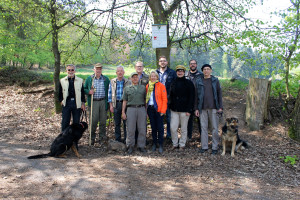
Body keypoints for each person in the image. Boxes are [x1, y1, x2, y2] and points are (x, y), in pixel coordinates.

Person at [195, 64, 223, 155]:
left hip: (214, 107)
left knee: (214, 128)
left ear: (211, 70)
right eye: (204, 69)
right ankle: (204, 146)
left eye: (208, 69)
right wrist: (196, 108)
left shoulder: (215, 80)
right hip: (202, 108)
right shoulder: (199, 81)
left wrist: (220, 107)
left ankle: (215, 147)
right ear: (202, 71)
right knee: (203, 128)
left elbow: (219, 94)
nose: (206, 71)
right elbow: (196, 96)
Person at [169, 65, 195, 150]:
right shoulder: (173, 82)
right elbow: (170, 95)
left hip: (185, 110)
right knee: (173, 128)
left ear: (184, 72)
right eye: (178, 71)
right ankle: (175, 143)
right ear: (176, 72)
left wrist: (189, 110)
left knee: (184, 128)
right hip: (174, 109)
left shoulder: (189, 83)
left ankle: (182, 144)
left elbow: (192, 97)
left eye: (181, 71)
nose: (180, 72)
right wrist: (170, 105)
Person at [84, 63, 110, 145]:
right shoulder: (90, 79)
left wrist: (109, 104)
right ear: (94, 69)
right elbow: (84, 89)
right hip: (93, 102)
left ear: (101, 70)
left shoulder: (106, 79)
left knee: (103, 121)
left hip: (103, 101)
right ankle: (91, 138)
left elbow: (109, 91)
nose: (98, 70)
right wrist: (88, 91)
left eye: (100, 69)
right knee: (93, 121)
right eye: (97, 69)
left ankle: (102, 138)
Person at [122, 72, 147, 154]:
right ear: (131, 79)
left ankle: (141, 146)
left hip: (141, 108)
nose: (135, 78)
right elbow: (124, 101)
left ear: (139, 78)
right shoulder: (127, 88)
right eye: (133, 77)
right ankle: (130, 146)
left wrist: (146, 111)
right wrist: (123, 112)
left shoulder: (143, 88)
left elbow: (145, 100)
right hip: (131, 109)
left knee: (142, 128)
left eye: (136, 77)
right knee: (130, 129)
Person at [146, 71, 168, 154]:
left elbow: (164, 99)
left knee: (160, 128)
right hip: (150, 109)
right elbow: (146, 99)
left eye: (154, 76)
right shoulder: (148, 86)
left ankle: (161, 144)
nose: (153, 77)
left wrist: (163, 111)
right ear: (150, 77)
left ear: (157, 77)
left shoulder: (161, 86)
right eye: (151, 76)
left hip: (159, 110)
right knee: (153, 127)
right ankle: (154, 143)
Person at [59, 64, 86, 131]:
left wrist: (83, 103)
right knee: (65, 121)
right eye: (69, 70)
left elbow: (82, 93)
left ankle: (74, 139)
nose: (70, 71)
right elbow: (59, 92)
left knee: (76, 122)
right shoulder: (62, 81)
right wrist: (61, 101)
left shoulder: (80, 80)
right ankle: (64, 138)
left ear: (74, 71)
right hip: (66, 103)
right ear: (66, 71)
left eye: (72, 70)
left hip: (76, 103)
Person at [156, 56, 176, 140]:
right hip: (157, 99)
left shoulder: (172, 72)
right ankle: (159, 135)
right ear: (159, 63)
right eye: (161, 61)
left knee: (169, 118)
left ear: (167, 62)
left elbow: (175, 85)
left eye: (164, 61)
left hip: (168, 98)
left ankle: (169, 135)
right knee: (158, 118)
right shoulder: (155, 72)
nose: (162, 62)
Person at [108, 65, 130, 143]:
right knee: (117, 123)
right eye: (118, 71)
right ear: (116, 72)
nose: (120, 72)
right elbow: (110, 94)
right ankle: (118, 139)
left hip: (126, 105)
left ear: (123, 72)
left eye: (121, 71)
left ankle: (126, 139)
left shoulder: (128, 81)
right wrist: (111, 105)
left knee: (126, 123)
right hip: (116, 104)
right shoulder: (112, 81)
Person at [186, 59, 203, 140]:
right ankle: (188, 136)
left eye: (194, 64)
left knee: (200, 120)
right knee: (188, 120)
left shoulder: (201, 75)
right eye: (191, 64)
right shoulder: (186, 75)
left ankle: (202, 137)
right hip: (188, 100)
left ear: (196, 65)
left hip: (199, 100)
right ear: (189, 65)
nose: (192, 65)